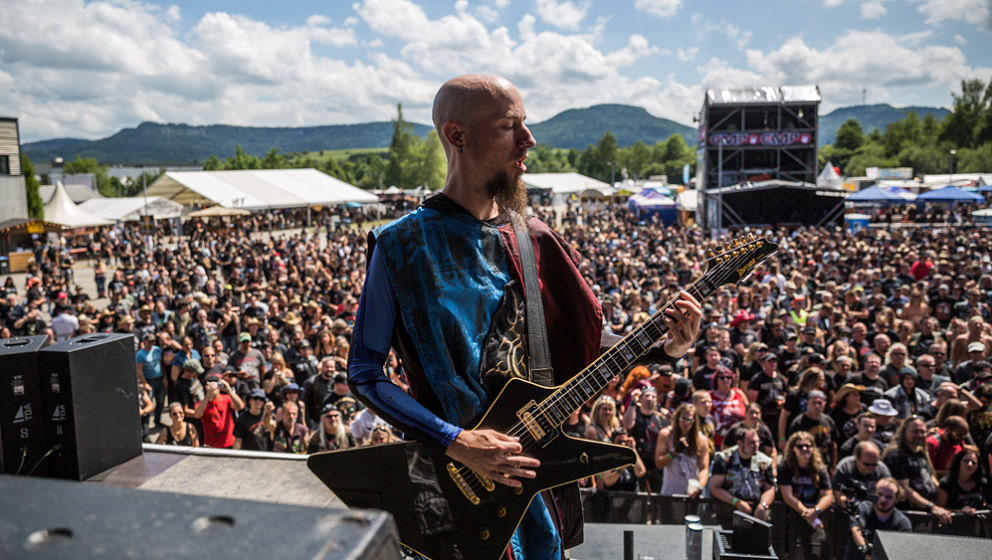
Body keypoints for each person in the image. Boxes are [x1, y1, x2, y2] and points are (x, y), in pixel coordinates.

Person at [346, 73, 703, 558]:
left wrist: (667, 347)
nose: (528, 139)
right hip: (455, 494)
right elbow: (365, 373)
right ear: (458, 136)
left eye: (526, 124)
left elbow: (582, 341)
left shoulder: (533, 239)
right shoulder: (400, 246)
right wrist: (456, 440)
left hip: (536, 486)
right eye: (509, 126)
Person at [881, 415, 953, 524]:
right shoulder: (896, 455)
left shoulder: (920, 452)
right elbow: (904, 489)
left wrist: (942, 499)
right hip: (910, 515)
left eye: (922, 432)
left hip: (928, 512)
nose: (919, 435)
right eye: (915, 431)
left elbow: (930, 477)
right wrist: (931, 507)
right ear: (904, 431)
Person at [779, 431, 833, 559]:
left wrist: (815, 511)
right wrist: (808, 514)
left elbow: (828, 496)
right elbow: (787, 496)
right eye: (800, 446)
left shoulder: (819, 468)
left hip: (814, 512)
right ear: (793, 449)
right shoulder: (785, 467)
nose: (804, 449)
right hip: (793, 513)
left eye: (808, 446)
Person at [709, 428, 775, 521]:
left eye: (757, 442)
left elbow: (770, 489)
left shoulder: (765, 461)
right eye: (751, 443)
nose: (756, 445)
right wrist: (737, 503)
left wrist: (763, 505)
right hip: (730, 510)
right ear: (740, 443)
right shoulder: (725, 459)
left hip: (756, 511)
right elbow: (715, 487)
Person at [845, 478, 911, 560]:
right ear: (874, 494)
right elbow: (856, 530)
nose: (883, 500)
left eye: (889, 497)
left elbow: (901, 550)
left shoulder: (902, 522)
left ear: (897, 499)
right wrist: (866, 550)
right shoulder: (863, 508)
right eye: (879, 494)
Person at [655, 403, 709, 497]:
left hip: (691, 494)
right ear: (677, 418)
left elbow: (704, 469)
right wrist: (674, 453)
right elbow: (659, 463)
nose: (686, 423)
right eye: (684, 418)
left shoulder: (701, 440)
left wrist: (699, 487)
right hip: (670, 493)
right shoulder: (666, 435)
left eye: (690, 420)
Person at [622, 385, 668, 492]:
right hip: (636, 465)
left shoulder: (661, 419)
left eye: (653, 396)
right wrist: (633, 402)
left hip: (655, 467)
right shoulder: (634, 414)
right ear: (641, 398)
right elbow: (627, 425)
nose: (650, 399)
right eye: (647, 396)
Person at [192, 372, 244, 449]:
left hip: (228, 443)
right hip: (210, 445)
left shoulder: (227, 398)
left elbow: (240, 406)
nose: (214, 388)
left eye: (216, 385)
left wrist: (229, 391)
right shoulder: (201, 403)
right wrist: (207, 396)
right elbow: (197, 415)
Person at [833, 440, 891, 507]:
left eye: (874, 464)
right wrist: (848, 504)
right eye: (866, 464)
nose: (871, 468)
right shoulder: (845, 468)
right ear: (857, 458)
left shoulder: (882, 470)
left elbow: (888, 496)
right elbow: (838, 494)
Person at [936, 446, 988, 514]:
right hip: (954, 523)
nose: (970, 464)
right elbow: (940, 509)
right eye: (966, 461)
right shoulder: (946, 483)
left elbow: (986, 503)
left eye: (974, 462)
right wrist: (959, 512)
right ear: (959, 462)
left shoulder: (982, 483)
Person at [710, 365, 748, 449]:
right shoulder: (710, 396)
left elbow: (748, 411)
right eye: (722, 377)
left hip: (739, 440)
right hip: (718, 441)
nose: (726, 380)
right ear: (716, 380)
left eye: (729, 377)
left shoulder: (739, 393)